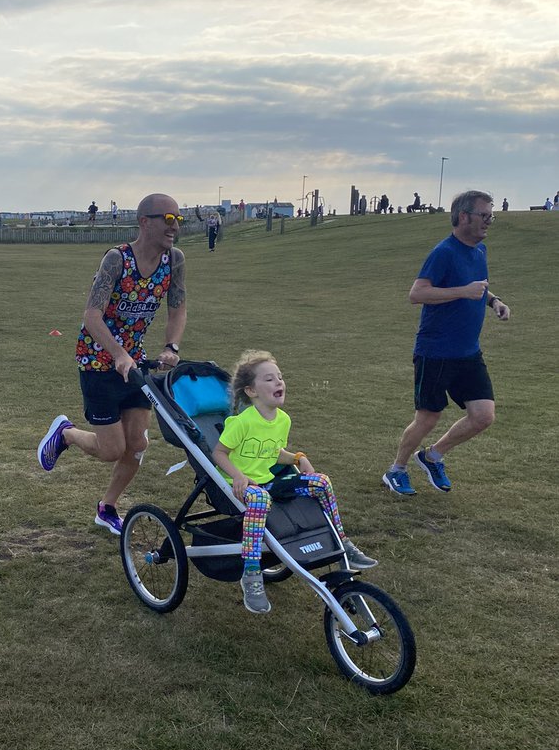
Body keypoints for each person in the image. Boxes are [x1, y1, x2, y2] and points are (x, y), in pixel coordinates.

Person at [37, 194, 187, 535]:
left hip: (134, 364)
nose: (174, 225)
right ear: (145, 222)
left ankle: (107, 508)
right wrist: (118, 353)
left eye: (178, 218)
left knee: (137, 444)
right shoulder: (117, 260)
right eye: (167, 218)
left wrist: (171, 347)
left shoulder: (175, 260)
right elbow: (91, 315)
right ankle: (67, 433)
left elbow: (177, 308)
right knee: (111, 449)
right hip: (97, 361)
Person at [212, 350, 376, 614]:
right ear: (251, 391)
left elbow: (274, 452)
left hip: (267, 481)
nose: (279, 382)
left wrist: (298, 457)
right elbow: (218, 452)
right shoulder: (242, 423)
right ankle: (252, 573)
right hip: (238, 486)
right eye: (269, 379)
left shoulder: (282, 420)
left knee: (320, 482)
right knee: (261, 498)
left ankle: (342, 542)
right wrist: (239, 476)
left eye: (280, 377)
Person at [382, 190, 511, 496]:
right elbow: (417, 293)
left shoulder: (479, 251)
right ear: (463, 216)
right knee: (428, 417)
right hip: (436, 352)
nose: (489, 222)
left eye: (491, 215)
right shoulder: (444, 252)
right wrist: (463, 291)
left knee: (483, 416)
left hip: (468, 353)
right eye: (484, 215)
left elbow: (477, 288)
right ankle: (396, 470)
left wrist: (494, 301)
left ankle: (431, 457)